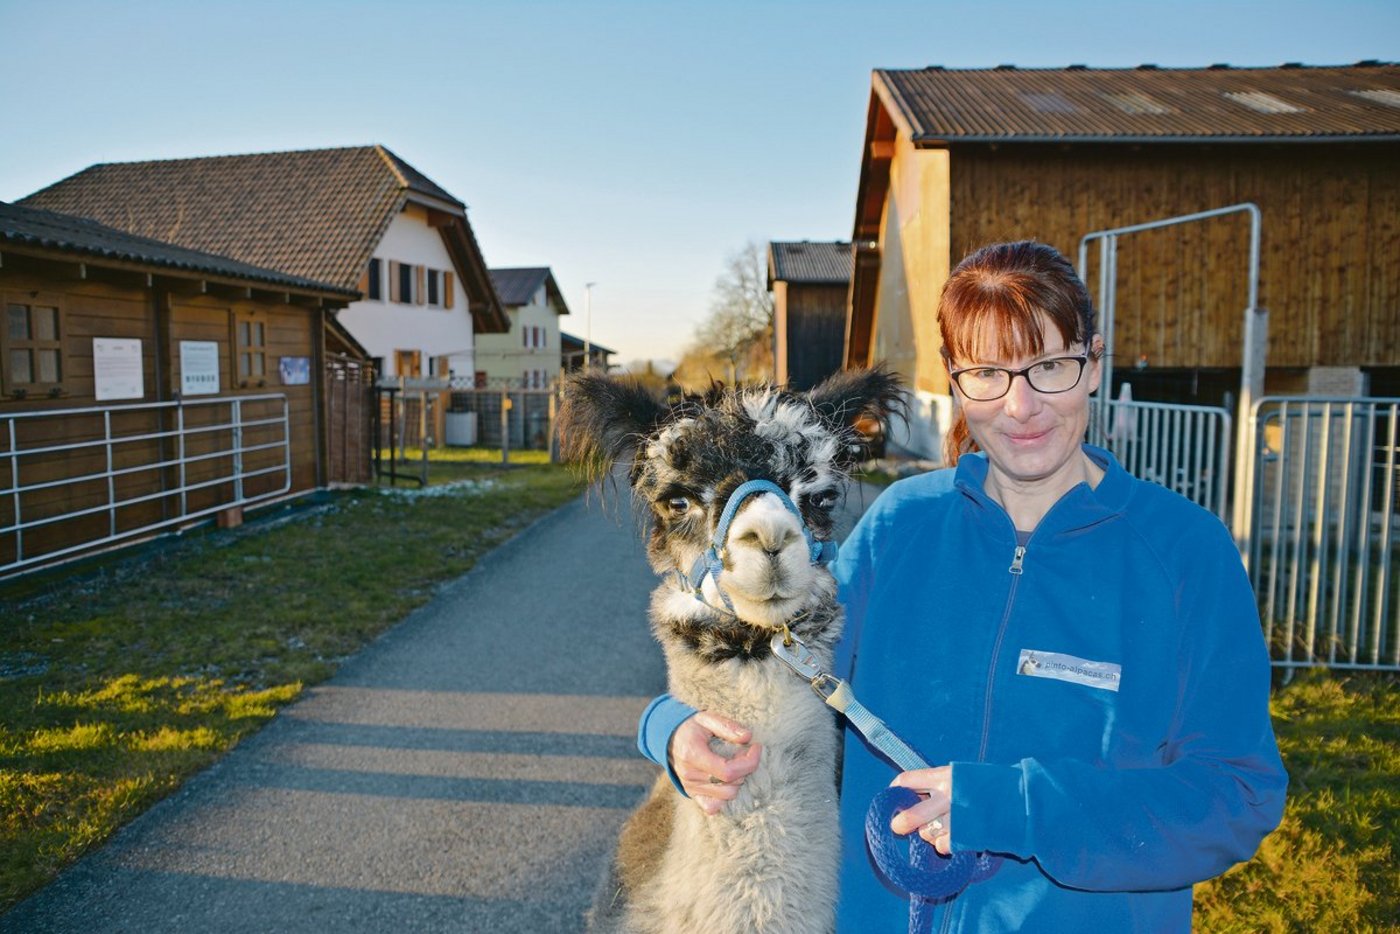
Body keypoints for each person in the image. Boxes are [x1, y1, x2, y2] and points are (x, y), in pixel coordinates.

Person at [636, 240, 1287, 932]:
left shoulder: (1184, 554)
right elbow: (791, 673)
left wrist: (1014, 808)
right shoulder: (902, 525)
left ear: (1094, 364)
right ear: (953, 378)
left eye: (1051, 367)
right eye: (988, 374)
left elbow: (1236, 793)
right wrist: (671, 730)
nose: (1020, 406)